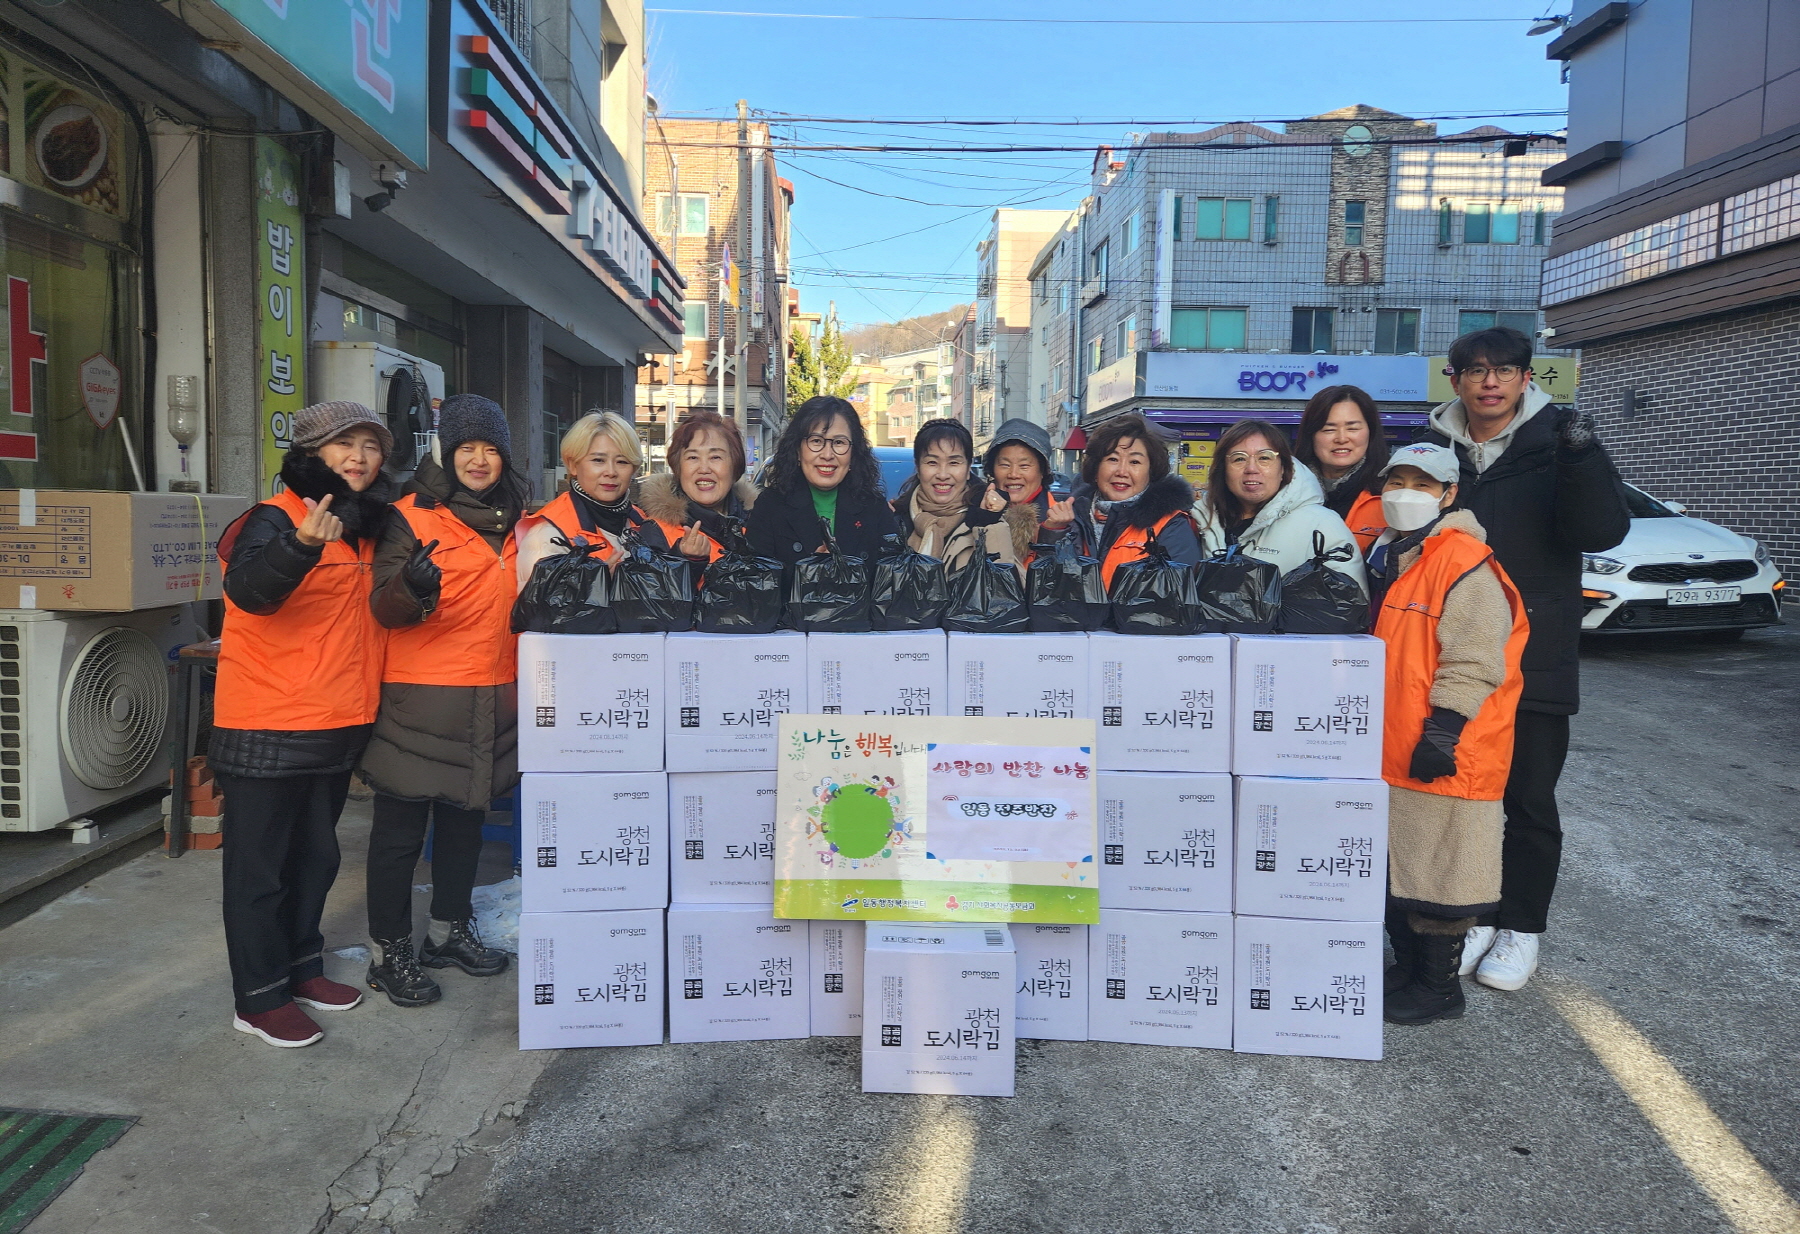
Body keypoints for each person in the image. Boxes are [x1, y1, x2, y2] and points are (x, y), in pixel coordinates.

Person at [1424, 326, 1629, 991]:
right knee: (1466, 794)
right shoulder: (1435, 449)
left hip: (1535, 650)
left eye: (1505, 370)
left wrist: (1583, 454)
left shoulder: (1555, 444)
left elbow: (1602, 529)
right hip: (1452, 653)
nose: (1490, 381)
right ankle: (1479, 911)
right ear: (1454, 380)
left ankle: (1523, 926)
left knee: (1530, 798)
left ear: (1524, 378)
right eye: (1476, 370)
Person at [210, 402, 397, 1048]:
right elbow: (249, 591)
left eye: (371, 445)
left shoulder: (365, 526)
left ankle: (301, 968)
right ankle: (258, 998)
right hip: (267, 722)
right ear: (312, 454)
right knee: (260, 870)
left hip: (337, 721)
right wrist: (300, 547)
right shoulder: (274, 517)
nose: (360, 457)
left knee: (315, 858)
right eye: (345, 444)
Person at [361, 395, 523, 1007]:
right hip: (421, 699)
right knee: (400, 832)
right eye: (465, 448)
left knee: (465, 823)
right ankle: (389, 951)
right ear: (445, 452)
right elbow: (383, 605)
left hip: (492, 695)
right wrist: (412, 588)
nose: (478, 460)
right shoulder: (410, 516)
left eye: (489, 448)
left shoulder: (518, 519)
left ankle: (449, 931)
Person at [1366, 444, 1528, 1026]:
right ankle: (1408, 969)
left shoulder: (1464, 561)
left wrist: (1445, 730)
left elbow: (1477, 659)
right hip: (1396, 746)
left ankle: (1437, 987)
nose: (1404, 493)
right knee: (1404, 868)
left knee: (1441, 872)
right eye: (1397, 480)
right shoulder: (1397, 555)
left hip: (1445, 747)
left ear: (1450, 494)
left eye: (1422, 483)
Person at [1191, 419, 1367, 592]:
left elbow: (1349, 604)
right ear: (1223, 470)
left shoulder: (1322, 525)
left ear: (1283, 469)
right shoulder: (1200, 521)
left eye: (1265, 458)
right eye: (1239, 459)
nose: (1251, 468)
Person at [745, 395, 898, 565]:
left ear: (853, 453)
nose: (827, 455)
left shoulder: (874, 507)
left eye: (839, 442)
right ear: (797, 450)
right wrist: (810, 573)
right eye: (816, 441)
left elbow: (892, 579)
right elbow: (755, 581)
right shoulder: (770, 506)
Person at [1059, 413, 1203, 587]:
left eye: (1134, 462)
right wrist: (1053, 531)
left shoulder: (1170, 525)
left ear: (1150, 472)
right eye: (1112, 459)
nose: (1122, 471)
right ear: (1096, 467)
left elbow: (1176, 595)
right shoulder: (1071, 515)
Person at [516, 411, 649, 585]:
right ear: (573, 465)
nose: (611, 472)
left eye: (622, 462)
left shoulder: (642, 521)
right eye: (598, 460)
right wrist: (592, 586)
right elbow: (536, 607)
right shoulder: (548, 533)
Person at [891, 418, 1028, 572]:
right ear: (918, 467)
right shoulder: (896, 520)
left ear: (968, 468)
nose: (943, 475)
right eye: (932, 462)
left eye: (954, 463)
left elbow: (1003, 587)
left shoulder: (988, 516)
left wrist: (987, 523)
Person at [637, 410, 758, 564]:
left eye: (715, 457)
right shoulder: (656, 530)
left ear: (735, 466)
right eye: (693, 457)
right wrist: (684, 559)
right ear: (678, 468)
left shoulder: (759, 523)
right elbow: (649, 586)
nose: (704, 469)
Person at [1294, 384, 1389, 550]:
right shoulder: (1286, 492)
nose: (1341, 438)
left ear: (1370, 432)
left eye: (1352, 428)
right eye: (1328, 429)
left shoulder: (1390, 493)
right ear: (1311, 434)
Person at [982, 417, 1076, 545]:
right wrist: (983, 519)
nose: (1013, 474)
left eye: (1024, 466)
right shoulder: (971, 510)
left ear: (1042, 471)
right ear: (992, 471)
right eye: (1004, 465)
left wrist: (1054, 532)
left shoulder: (1065, 517)